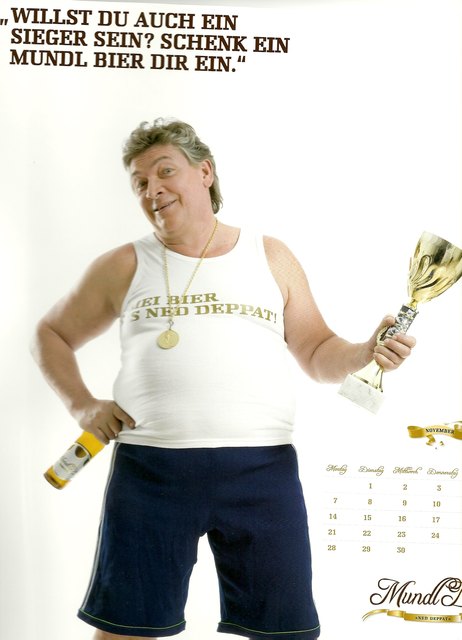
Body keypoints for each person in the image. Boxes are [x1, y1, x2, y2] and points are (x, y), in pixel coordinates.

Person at [31, 118, 416, 640]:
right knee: (124, 629)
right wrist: (82, 405)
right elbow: (51, 334)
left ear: (205, 172)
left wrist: (365, 352)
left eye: (165, 171)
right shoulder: (125, 264)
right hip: (151, 473)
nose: (152, 189)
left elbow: (316, 351)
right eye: (140, 182)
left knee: (284, 632)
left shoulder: (269, 255)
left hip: (262, 471)